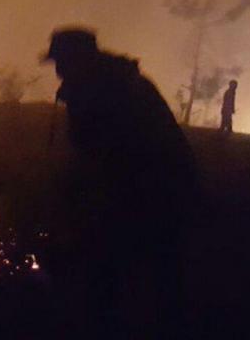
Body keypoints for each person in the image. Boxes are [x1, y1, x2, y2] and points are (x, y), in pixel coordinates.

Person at [43, 27, 197, 338]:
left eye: (62, 62)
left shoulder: (105, 91)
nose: (58, 71)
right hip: (148, 184)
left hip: (151, 188)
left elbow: (104, 154)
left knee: (134, 266)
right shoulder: (109, 82)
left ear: (80, 59)